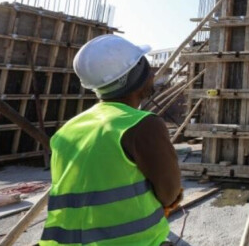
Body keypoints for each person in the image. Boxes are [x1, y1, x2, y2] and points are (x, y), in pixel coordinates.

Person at [41, 35, 182, 246]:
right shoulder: (141, 125)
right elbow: (169, 193)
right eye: (146, 67)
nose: (153, 73)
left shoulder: (67, 130)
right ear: (134, 76)